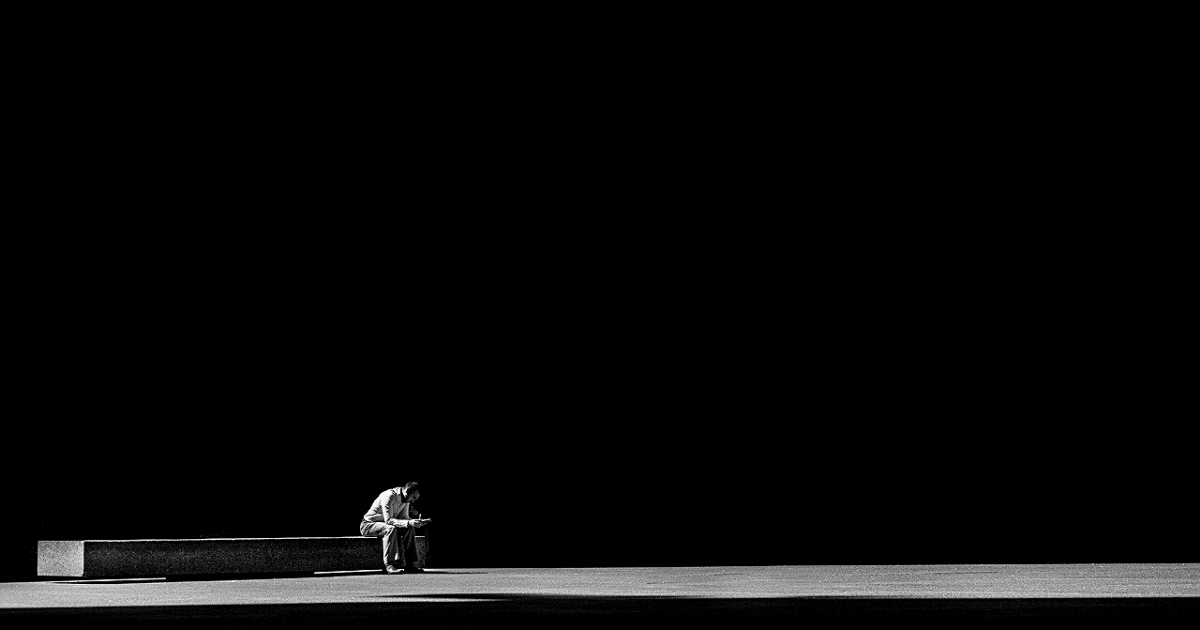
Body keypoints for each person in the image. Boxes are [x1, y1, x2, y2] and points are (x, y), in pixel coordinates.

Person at [360, 481, 428, 574]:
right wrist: (408, 522)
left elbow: (404, 518)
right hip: (368, 525)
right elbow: (388, 520)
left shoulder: (406, 500)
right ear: (407, 492)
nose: (413, 501)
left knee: (410, 528)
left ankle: (410, 565)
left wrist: (414, 522)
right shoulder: (389, 495)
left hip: (385, 525)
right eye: (413, 498)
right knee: (390, 528)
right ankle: (388, 565)